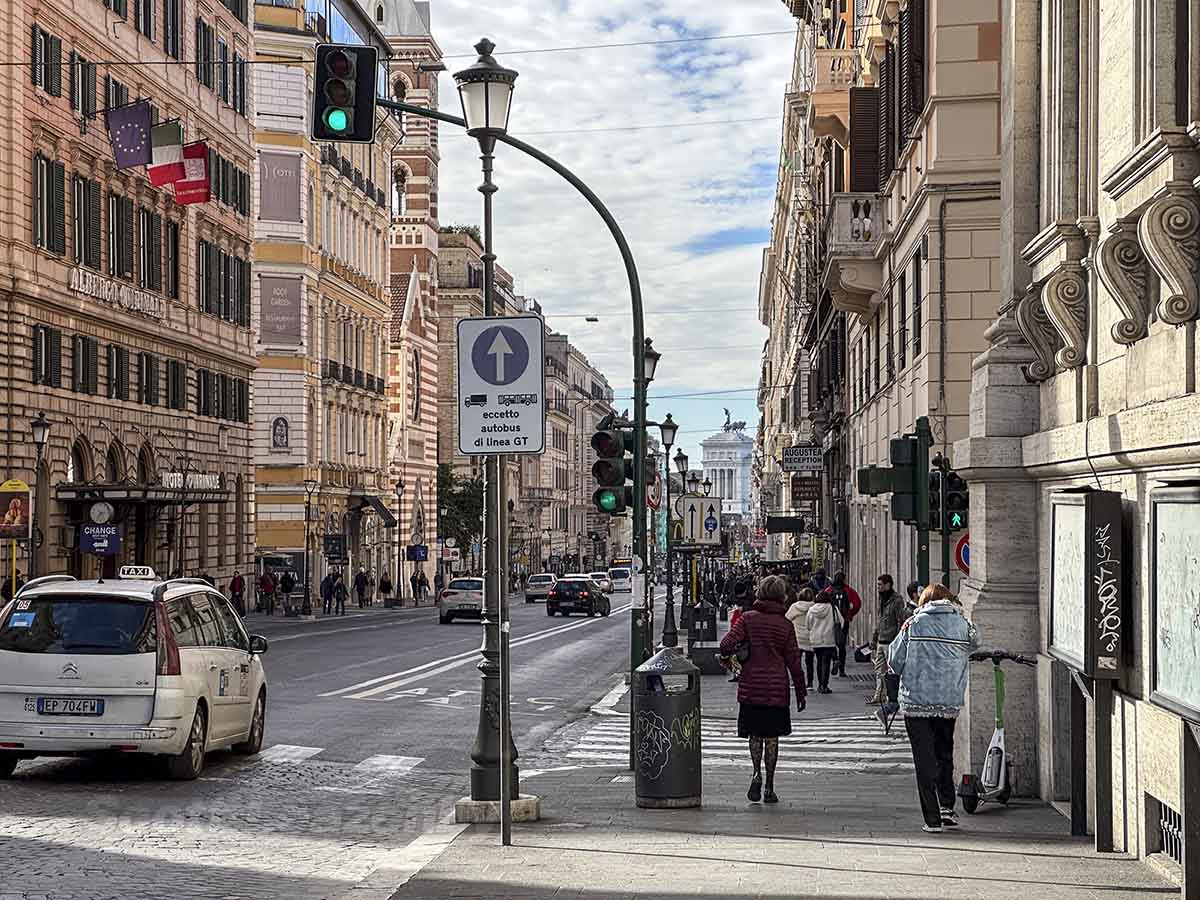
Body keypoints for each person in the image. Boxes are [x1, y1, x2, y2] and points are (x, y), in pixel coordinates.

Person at [888, 583, 980, 833]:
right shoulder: (962, 623)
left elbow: (894, 660)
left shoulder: (914, 623)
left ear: (924, 601)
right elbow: (975, 644)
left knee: (924, 758)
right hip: (947, 701)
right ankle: (947, 807)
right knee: (944, 753)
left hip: (916, 701)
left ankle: (932, 818)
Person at [718, 575, 806, 804]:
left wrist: (734, 658)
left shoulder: (747, 619)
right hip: (776, 688)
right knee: (772, 737)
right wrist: (800, 691)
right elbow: (794, 660)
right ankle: (769, 786)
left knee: (755, 734)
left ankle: (755, 771)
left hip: (751, 687)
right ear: (782, 596)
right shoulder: (785, 625)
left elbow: (725, 644)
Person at [870, 574, 910, 707]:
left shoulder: (897, 600)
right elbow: (880, 620)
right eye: (877, 585)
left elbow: (901, 620)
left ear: (888, 585)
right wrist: (875, 638)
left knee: (891, 671)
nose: (878, 587)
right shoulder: (882, 599)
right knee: (879, 670)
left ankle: (891, 696)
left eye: (880, 585)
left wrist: (898, 640)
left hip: (891, 641)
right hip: (881, 639)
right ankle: (879, 695)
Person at [805, 587, 843, 694]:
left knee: (819, 661)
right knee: (826, 662)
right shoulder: (832, 608)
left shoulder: (811, 610)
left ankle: (820, 685)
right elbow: (841, 621)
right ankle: (824, 685)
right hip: (829, 639)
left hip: (815, 639)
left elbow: (808, 625)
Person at [824, 572, 862, 677]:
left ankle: (834, 659)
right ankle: (842, 669)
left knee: (831, 643)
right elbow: (857, 603)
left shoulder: (828, 591)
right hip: (844, 621)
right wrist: (850, 615)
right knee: (842, 645)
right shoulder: (849, 591)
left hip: (831, 621)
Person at [786, 587, 817, 689]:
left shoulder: (795, 607)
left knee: (796, 662)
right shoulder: (815, 607)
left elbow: (787, 618)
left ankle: (796, 682)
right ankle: (810, 683)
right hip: (809, 638)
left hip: (797, 637)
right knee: (809, 662)